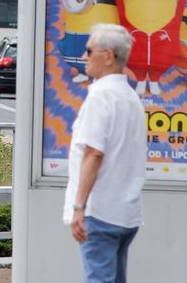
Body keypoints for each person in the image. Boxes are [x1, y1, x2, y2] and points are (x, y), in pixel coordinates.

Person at [64, 23, 147, 283]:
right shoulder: (131, 98)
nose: (84, 56)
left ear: (109, 56)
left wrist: (79, 207)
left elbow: (94, 153)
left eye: (89, 50)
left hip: (99, 211)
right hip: (125, 212)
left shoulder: (101, 97)